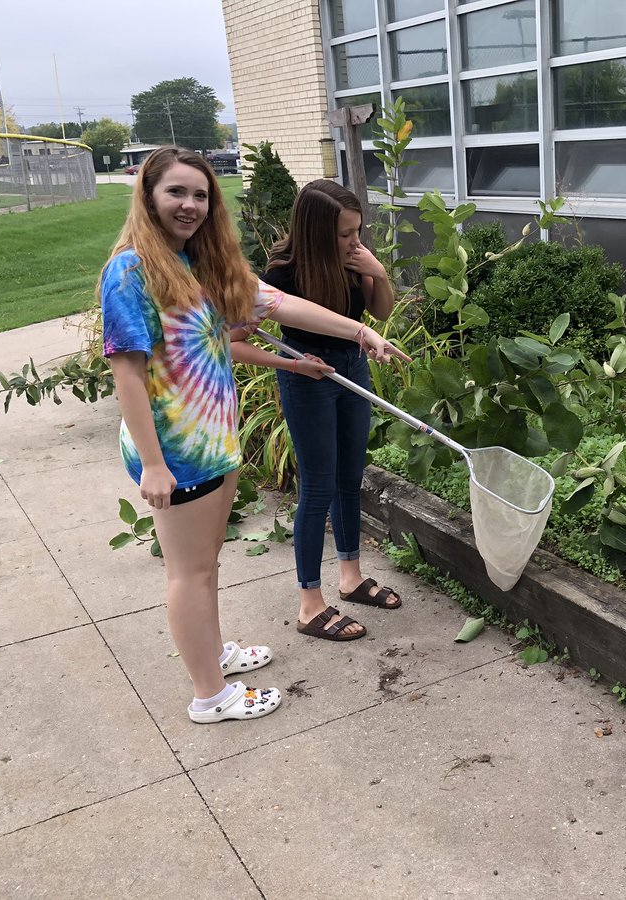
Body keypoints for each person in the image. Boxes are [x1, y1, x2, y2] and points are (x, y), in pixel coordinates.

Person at [99, 147, 409, 724]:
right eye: (176, 193)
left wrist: (360, 333)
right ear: (147, 195)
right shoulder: (131, 272)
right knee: (188, 572)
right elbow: (129, 377)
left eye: (200, 195)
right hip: (176, 453)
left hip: (216, 439)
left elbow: (281, 302)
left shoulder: (198, 263)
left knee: (207, 564)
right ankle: (210, 696)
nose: (190, 205)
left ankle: (214, 656)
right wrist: (154, 463)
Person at [231, 179, 400, 644]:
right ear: (316, 231)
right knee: (319, 485)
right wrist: (293, 364)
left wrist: (377, 271)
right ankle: (310, 604)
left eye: (358, 230)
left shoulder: (355, 260)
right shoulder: (282, 274)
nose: (354, 241)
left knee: (350, 477)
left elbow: (379, 315)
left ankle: (350, 577)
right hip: (308, 379)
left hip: (353, 371)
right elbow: (235, 340)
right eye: (345, 233)